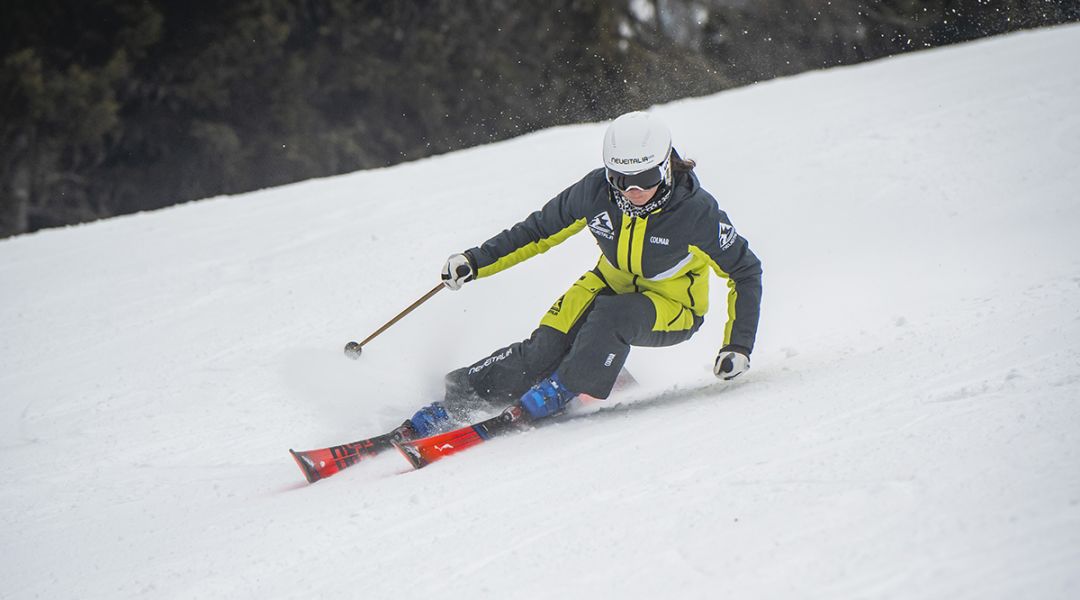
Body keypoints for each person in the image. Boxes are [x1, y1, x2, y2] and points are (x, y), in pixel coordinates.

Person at [407, 111, 763, 438]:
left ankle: (563, 388)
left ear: (667, 166)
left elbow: (745, 271)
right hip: (608, 283)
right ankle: (462, 396)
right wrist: (476, 260)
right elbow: (538, 231)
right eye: (622, 180)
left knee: (613, 316)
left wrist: (738, 346)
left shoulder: (696, 213)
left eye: (647, 178)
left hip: (673, 307)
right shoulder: (596, 193)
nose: (633, 191)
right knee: (541, 350)